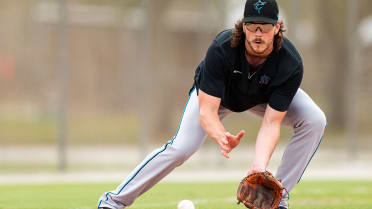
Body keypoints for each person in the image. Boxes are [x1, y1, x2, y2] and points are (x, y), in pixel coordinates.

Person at [97, 0, 326, 208]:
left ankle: (277, 202)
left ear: (277, 27)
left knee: (315, 120)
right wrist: (221, 136)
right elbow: (207, 110)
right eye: (252, 25)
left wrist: (258, 167)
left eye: (264, 27)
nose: (258, 33)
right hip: (218, 98)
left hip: (262, 98)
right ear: (243, 26)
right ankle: (113, 202)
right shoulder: (222, 48)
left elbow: (271, 122)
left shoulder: (290, 63)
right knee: (181, 148)